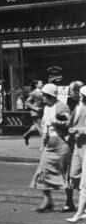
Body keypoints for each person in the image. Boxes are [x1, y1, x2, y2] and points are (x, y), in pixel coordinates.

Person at [29, 82, 71, 212]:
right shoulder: (46, 107)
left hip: (61, 144)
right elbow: (44, 125)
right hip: (49, 144)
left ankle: (69, 202)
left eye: (45, 95)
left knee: (64, 173)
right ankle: (47, 201)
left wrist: (56, 122)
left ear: (50, 95)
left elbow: (69, 123)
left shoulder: (61, 106)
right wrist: (43, 141)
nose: (43, 97)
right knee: (42, 171)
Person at [66, 83, 86, 219]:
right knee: (73, 174)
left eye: (79, 94)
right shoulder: (77, 106)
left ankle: (81, 207)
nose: (77, 95)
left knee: (84, 179)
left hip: (84, 145)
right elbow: (71, 122)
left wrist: (77, 130)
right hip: (77, 145)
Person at [23, 80, 45, 146]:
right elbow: (27, 102)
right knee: (40, 126)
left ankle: (26, 135)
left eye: (42, 83)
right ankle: (44, 141)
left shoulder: (44, 92)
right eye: (40, 83)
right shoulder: (33, 93)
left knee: (36, 127)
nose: (42, 84)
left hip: (42, 111)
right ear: (36, 85)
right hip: (35, 112)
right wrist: (35, 108)